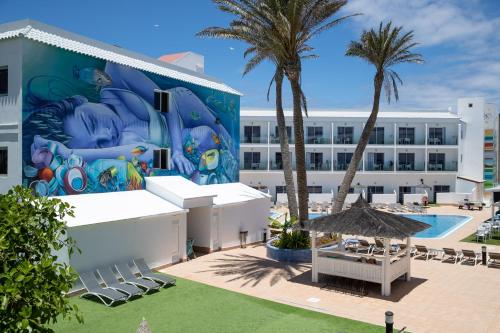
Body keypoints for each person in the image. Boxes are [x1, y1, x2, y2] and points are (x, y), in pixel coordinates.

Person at [26, 62, 236, 180]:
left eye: (92, 122)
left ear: (80, 100)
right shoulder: (122, 145)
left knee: (224, 139)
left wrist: (178, 151)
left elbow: (167, 102)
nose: (107, 134)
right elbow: (148, 152)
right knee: (207, 140)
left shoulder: (115, 75)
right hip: (185, 139)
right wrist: (72, 154)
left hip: (183, 106)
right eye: (99, 144)